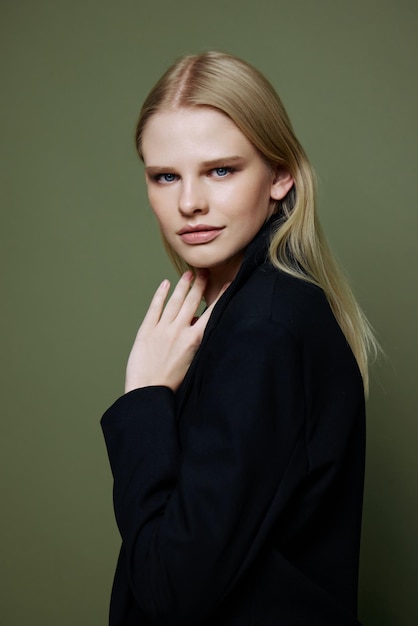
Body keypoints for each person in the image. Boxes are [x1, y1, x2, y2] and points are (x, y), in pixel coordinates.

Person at [101, 51, 378, 626]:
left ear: (281, 176)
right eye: (165, 176)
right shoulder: (257, 310)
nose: (189, 203)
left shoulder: (265, 330)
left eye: (221, 170)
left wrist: (143, 399)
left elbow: (172, 589)